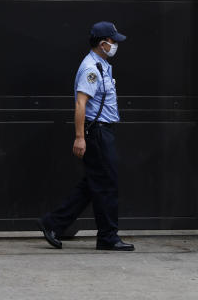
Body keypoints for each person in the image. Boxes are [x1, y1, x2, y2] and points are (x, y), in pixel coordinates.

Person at [38, 22, 134, 252]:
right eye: (112, 42)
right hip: (98, 132)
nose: (115, 45)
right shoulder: (91, 69)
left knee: (94, 184)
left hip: (103, 130)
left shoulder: (102, 65)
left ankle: (53, 223)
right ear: (103, 44)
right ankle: (108, 237)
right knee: (107, 185)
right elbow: (81, 104)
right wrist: (79, 137)